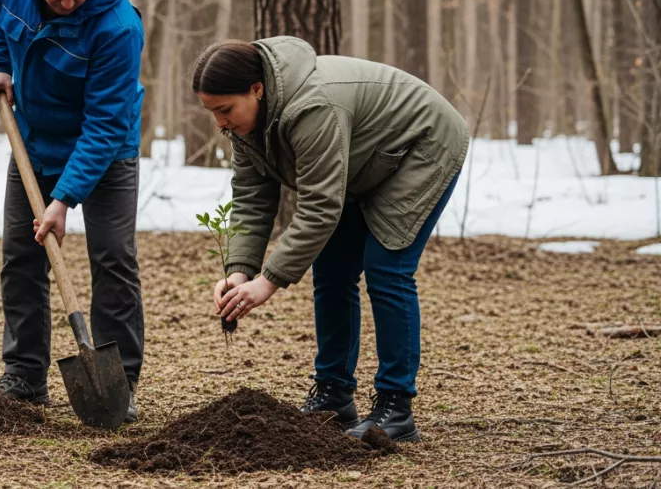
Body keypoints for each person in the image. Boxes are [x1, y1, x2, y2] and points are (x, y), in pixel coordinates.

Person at [194, 36, 468, 443]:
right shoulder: (245, 125)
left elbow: (321, 206)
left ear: (257, 89)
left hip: (421, 145)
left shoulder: (313, 106)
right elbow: (253, 196)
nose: (219, 123)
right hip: (364, 162)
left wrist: (267, 281)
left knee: (387, 268)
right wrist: (239, 271)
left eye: (225, 109)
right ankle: (333, 394)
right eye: (212, 112)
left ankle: (395, 407)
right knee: (332, 271)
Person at [0, 0, 145, 422]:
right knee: (21, 255)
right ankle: (25, 375)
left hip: (106, 150)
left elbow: (104, 124)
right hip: (32, 141)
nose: (68, 1)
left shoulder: (117, 28)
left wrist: (63, 199)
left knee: (113, 258)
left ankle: (122, 383)